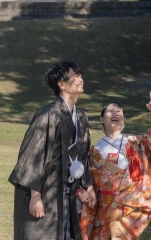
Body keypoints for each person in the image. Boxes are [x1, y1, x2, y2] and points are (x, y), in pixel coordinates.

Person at [10, 61, 97, 240]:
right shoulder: (48, 114)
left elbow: (84, 154)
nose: (81, 79)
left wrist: (87, 186)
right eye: (75, 76)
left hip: (68, 192)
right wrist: (35, 197)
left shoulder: (81, 116)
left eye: (80, 75)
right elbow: (33, 155)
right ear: (61, 84)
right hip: (46, 190)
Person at [80, 93, 151, 240]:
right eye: (110, 111)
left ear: (124, 120)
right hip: (110, 213)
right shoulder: (94, 152)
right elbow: (87, 182)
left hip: (139, 212)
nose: (115, 113)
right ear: (102, 120)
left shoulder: (137, 142)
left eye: (119, 111)